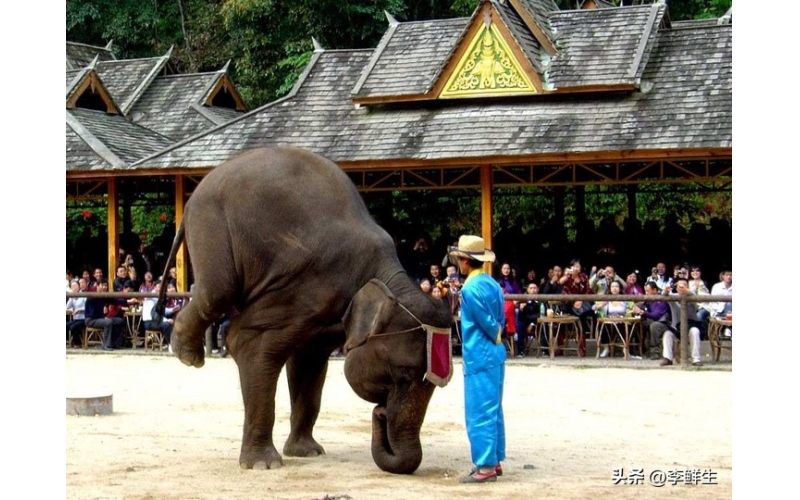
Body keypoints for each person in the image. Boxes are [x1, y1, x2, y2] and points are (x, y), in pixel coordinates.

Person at [448, 235, 506, 484]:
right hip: (495, 354)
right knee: (493, 409)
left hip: (480, 355)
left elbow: (488, 323)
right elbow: (500, 319)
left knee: (479, 412)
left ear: (464, 261)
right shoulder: (492, 283)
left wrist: (495, 333)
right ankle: (494, 459)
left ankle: (486, 466)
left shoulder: (469, 289)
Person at [659, 278, 704, 367]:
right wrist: (666, 290)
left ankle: (696, 359)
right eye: (679, 285)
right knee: (667, 334)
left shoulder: (692, 296)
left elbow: (694, 296)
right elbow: (664, 295)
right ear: (676, 287)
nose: (681, 287)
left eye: (684, 285)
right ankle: (668, 358)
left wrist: (685, 290)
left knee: (695, 331)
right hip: (676, 327)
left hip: (691, 326)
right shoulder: (673, 297)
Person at [631, 281, 671, 360]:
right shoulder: (647, 301)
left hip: (663, 324)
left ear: (655, 290)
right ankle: (639, 349)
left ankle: (655, 352)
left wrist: (643, 312)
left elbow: (656, 316)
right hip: (651, 321)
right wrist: (637, 309)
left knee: (654, 325)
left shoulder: (661, 300)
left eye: (648, 291)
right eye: (645, 291)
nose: (646, 293)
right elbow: (642, 309)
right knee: (637, 323)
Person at [592, 281, 630, 358]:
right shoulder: (606, 298)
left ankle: (625, 349)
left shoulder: (624, 299)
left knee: (625, 326)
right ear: (610, 289)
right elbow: (593, 307)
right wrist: (602, 304)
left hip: (621, 320)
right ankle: (606, 348)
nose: (614, 288)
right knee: (603, 325)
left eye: (616, 286)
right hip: (609, 320)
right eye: (612, 287)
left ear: (620, 288)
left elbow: (632, 307)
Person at [84, 280, 124, 351]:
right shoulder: (92, 296)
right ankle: (106, 345)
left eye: (105, 285)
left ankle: (115, 343)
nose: (104, 287)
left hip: (100, 318)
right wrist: (103, 317)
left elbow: (116, 301)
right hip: (91, 319)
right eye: (102, 285)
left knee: (119, 321)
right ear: (97, 286)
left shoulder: (104, 296)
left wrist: (128, 302)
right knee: (108, 322)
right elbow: (92, 313)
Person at [141, 281, 174, 350]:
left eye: (162, 287)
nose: (161, 289)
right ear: (154, 287)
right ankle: (170, 344)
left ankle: (169, 343)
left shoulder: (159, 297)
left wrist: (173, 310)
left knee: (172, 323)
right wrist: (166, 320)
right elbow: (154, 314)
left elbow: (162, 310)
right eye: (159, 287)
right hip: (150, 322)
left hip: (156, 321)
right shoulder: (150, 296)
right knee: (167, 325)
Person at [516, 282, 542, 357]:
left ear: (537, 289)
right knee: (520, 325)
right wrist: (521, 309)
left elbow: (541, 314)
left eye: (534, 288)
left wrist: (532, 324)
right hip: (525, 321)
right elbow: (520, 317)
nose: (533, 290)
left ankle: (545, 351)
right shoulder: (523, 300)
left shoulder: (541, 299)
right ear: (527, 290)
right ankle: (520, 350)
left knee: (545, 325)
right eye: (531, 288)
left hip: (537, 322)